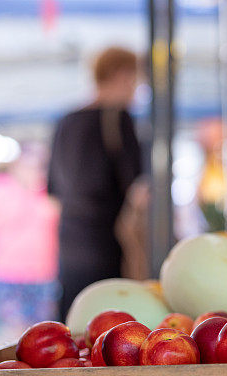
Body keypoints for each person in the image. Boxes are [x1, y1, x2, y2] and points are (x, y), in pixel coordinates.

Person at [47, 47, 142, 320]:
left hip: (70, 244)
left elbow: (52, 193)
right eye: (134, 79)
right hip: (107, 244)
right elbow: (137, 189)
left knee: (72, 325)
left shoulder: (65, 121)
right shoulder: (118, 119)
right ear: (121, 75)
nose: (135, 88)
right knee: (108, 327)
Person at [0, 145, 59, 332]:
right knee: (15, 333)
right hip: (7, 273)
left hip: (44, 274)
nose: (36, 167)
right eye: (31, 161)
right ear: (18, 163)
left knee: (42, 331)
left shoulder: (50, 189)